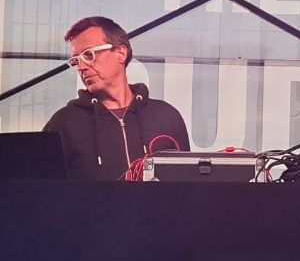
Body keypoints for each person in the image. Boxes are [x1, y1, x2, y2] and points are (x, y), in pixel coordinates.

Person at [44, 16, 190, 180]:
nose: (82, 67)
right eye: (76, 61)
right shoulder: (63, 124)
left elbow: (186, 185)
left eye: (89, 55)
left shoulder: (166, 116)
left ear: (120, 53)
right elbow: (46, 191)